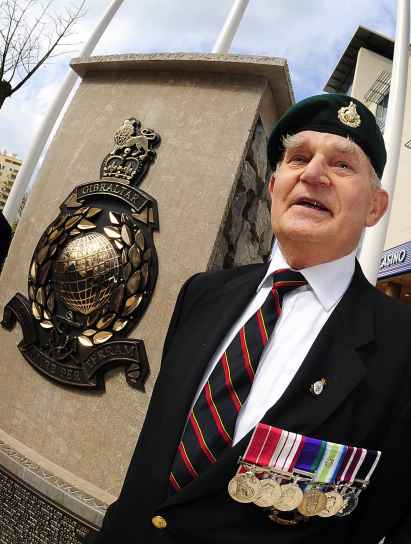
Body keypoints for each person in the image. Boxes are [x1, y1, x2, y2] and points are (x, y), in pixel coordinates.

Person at [86, 94, 411, 543]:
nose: (313, 174)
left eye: (341, 165)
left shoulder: (401, 348)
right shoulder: (202, 295)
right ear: (274, 185)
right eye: (298, 158)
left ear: (375, 206)